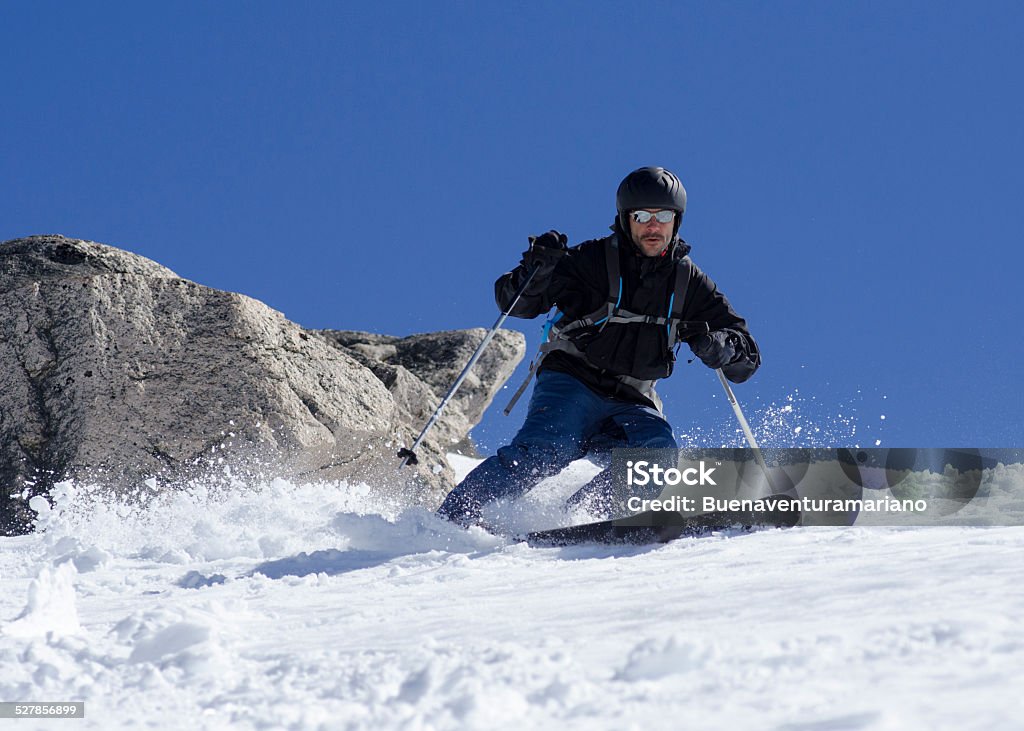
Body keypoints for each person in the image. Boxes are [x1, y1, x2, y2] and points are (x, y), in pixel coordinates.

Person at [438, 167, 760, 526]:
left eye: (663, 216)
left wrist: (723, 346)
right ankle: (451, 520)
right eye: (642, 217)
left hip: (632, 401)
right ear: (626, 219)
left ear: (677, 220)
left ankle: (579, 520)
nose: (653, 227)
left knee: (656, 457)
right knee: (545, 452)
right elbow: (515, 303)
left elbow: (745, 355)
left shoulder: (689, 282)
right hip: (571, 384)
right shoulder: (591, 261)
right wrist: (537, 270)